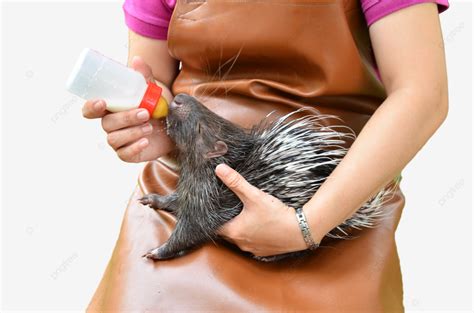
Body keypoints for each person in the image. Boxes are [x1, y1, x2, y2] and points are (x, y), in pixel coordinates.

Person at [84, 0, 450, 311]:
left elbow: (421, 94)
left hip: (334, 201)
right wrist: (145, 128)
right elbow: (155, 84)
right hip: (188, 194)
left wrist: (308, 223)